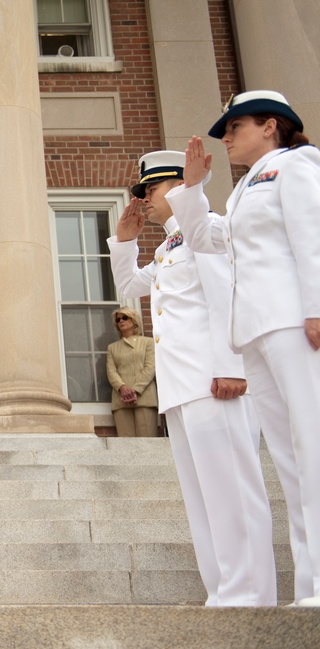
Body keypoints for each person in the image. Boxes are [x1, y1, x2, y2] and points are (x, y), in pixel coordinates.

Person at [169, 90, 320, 606]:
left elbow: (313, 236)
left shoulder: (296, 165)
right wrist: (192, 191)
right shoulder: (243, 191)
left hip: (294, 322)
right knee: (293, 459)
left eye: (235, 126)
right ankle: (309, 588)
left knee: (314, 447)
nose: (226, 137)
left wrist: (317, 307)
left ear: (271, 126)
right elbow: (209, 239)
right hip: (257, 333)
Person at [107, 150, 275, 606]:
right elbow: (130, 289)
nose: (144, 199)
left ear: (183, 185)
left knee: (233, 491)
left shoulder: (209, 231)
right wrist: (123, 244)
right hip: (182, 389)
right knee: (203, 498)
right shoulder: (167, 248)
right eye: (142, 192)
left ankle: (251, 595)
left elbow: (225, 296)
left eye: (153, 189)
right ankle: (222, 591)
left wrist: (230, 367)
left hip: (214, 381)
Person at [105, 307, 159, 437]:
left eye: (125, 317)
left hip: (144, 397)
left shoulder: (148, 343)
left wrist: (134, 390)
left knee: (147, 443)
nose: (121, 321)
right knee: (126, 446)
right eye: (118, 320)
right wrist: (123, 388)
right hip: (121, 400)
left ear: (133, 320)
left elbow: (150, 367)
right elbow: (111, 371)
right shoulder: (112, 347)